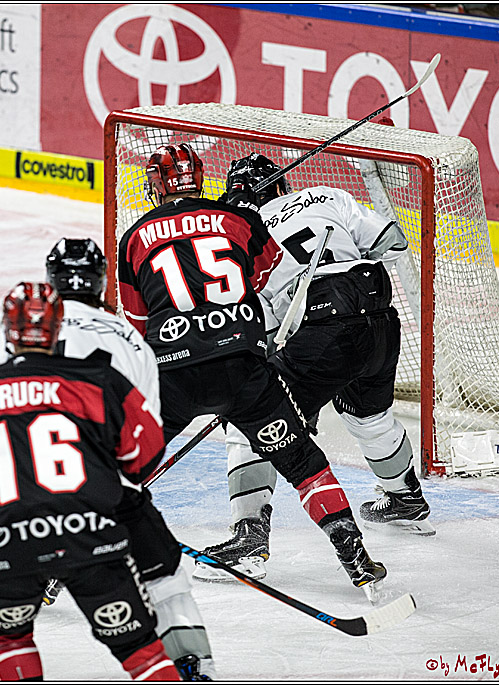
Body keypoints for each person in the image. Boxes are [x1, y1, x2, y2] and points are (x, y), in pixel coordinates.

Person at [0, 238, 215, 680]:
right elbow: (146, 442)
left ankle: (50, 567)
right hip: (106, 499)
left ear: (52, 279)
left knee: (11, 628)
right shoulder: (131, 341)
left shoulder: (20, 322)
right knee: (165, 579)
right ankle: (192, 668)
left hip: (21, 495)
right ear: (101, 281)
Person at [116, 143, 386, 599]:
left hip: (175, 378)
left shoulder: (134, 238)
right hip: (244, 372)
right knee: (302, 462)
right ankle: (356, 558)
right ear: (200, 179)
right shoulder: (239, 221)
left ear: (155, 186)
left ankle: (57, 569)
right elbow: (267, 279)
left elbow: (139, 322)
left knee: (122, 466)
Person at [0, 282, 182, 681]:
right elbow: (144, 455)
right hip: (91, 538)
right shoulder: (100, 381)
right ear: (58, 328)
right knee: (140, 651)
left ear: (7, 330)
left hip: (7, 546)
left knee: (11, 640)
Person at [195, 153, 435, 582]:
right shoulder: (324, 194)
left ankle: (249, 539)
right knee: (370, 416)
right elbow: (393, 243)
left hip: (325, 326)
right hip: (379, 319)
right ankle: (406, 497)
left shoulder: (241, 240)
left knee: (251, 420)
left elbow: (259, 328)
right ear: (282, 186)